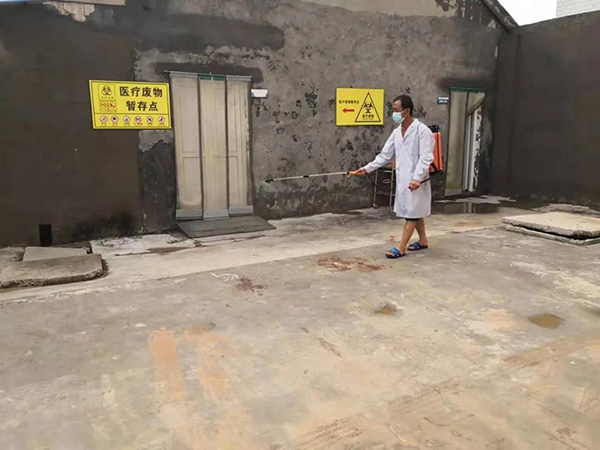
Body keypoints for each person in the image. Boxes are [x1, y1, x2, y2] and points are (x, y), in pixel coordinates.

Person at [351, 95, 435, 259]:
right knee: (414, 210)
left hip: (417, 180)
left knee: (412, 213)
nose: (393, 113)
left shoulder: (422, 131)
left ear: (406, 111)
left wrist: (417, 178)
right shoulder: (397, 132)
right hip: (403, 179)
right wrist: (366, 169)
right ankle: (423, 240)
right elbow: (385, 155)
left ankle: (401, 247)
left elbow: (426, 157)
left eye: (396, 109)